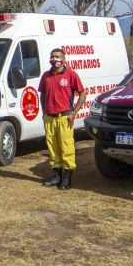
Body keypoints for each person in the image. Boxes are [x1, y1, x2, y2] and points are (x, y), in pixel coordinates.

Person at [38, 48, 86, 190]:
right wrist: (44, 112)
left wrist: (74, 113)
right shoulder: (46, 76)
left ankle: (67, 179)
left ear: (64, 59)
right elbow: (42, 95)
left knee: (66, 147)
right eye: (52, 57)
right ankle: (56, 176)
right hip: (50, 118)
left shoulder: (71, 74)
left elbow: (82, 94)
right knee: (53, 147)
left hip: (65, 117)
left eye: (57, 57)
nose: (54, 59)